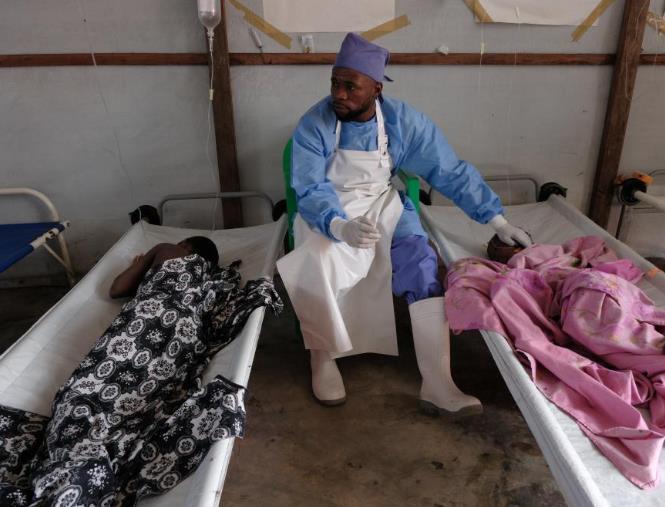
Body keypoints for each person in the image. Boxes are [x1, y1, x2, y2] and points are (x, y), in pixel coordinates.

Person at [276, 33, 531, 415]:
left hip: (381, 204)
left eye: (351, 86)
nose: (339, 94)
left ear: (376, 88)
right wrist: (339, 226)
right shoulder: (315, 123)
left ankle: (438, 381)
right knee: (318, 261)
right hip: (326, 211)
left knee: (422, 264)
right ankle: (323, 359)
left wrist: (496, 220)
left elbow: (448, 170)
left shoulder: (403, 122)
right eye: (335, 83)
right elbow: (310, 187)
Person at [110, 236, 219, 298]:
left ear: (184, 244)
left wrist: (138, 266)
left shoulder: (169, 248)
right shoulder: (209, 277)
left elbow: (117, 290)